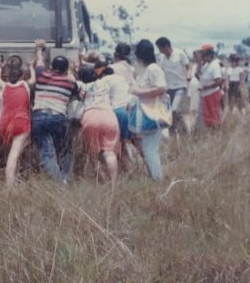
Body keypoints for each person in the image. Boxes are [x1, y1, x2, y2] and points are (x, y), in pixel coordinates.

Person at [30, 39, 79, 183]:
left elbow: (39, 62)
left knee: (46, 152)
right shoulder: (70, 81)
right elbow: (76, 92)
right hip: (58, 118)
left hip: (39, 116)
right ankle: (65, 178)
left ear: (51, 66)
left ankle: (59, 182)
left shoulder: (41, 75)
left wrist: (40, 49)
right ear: (65, 70)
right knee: (65, 150)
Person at [129, 39, 170, 181]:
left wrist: (139, 92)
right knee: (149, 149)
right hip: (148, 113)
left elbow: (162, 88)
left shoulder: (153, 69)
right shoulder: (147, 69)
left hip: (153, 113)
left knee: (150, 150)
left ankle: (158, 179)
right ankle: (155, 177)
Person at [0, 58, 36, 185]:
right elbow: (33, 78)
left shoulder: (5, 86)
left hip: (5, 123)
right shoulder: (25, 85)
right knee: (14, 155)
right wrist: (31, 67)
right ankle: (10, 185)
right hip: (21, 123)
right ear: (22, 76)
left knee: (9, 153)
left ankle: (12, 176)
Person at [77, 65, 120, 182]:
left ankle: (102, 179)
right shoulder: (104, 84)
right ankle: (113, 185)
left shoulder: (81, 86)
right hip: (109, 116)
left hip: (91, 116)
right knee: (110, 153)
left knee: (92, 152)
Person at [155, 37, 190, 133]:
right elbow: (160, 71)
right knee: (170, 113)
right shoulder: (161, 58)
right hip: (168, 88)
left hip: (180, 86)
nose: (160, 51)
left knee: (174, 110)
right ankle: (173, 133)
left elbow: (188, 67)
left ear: (166, 46)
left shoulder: (180, 53)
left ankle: (185, 131)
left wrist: (188, 76)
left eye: (160, 48)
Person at [196, 43, 224, 129]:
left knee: (213, 116)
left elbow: (218, 81)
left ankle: (216, 134)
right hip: (205, 94)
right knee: (207, 117)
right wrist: (199, 63)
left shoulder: (215, 65)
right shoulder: (207, 65)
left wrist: (206, 87)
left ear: (209, 54)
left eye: (204, 55)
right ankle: (210, 134)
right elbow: (198, 75)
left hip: (212, 94)